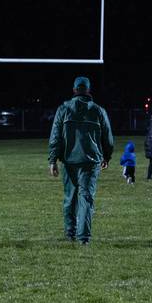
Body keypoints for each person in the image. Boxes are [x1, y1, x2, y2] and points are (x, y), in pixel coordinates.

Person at [48, 76, 114, 245]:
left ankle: (70, 233)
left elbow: (55, 136)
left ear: (74, 90)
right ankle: (83, 237)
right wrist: (106, 156)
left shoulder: (64, 108)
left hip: (69, 161)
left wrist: (53, 160)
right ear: (88, 90)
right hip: (90, 162)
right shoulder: (98, 110)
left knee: (70, 197)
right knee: (86, 198)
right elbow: (108, 137)